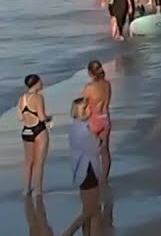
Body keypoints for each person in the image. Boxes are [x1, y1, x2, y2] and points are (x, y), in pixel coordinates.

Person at [64, 97, 103, 236]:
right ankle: (69, 232)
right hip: (88, 170)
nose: (91, 110)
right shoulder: (84, 131)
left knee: (88, 208)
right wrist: (99, 138)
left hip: (80, 170)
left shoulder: (74, 127)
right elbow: (95, 149)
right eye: (88, 107)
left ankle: (87, 233)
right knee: (92, 210)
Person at [19, 73, 52, 196]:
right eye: (40, 81)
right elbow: (42, 117)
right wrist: (49, 118)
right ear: (36, 83)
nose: (42, 83)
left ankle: (26, 189)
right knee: (39, 162)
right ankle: (38, 190)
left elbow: (20, 117)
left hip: (26, 130)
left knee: (28, 162)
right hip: (38, 130)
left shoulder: (22, 98)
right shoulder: (38, 97)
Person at [83, 60, 113, 182]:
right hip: (105, 118)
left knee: (92, 151)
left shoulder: (89, 87)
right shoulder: (107, 84)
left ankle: (94, 177)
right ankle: (104, 178)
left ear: (90, 73)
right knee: (105, 151)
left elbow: (83, 105)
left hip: (93, 120)